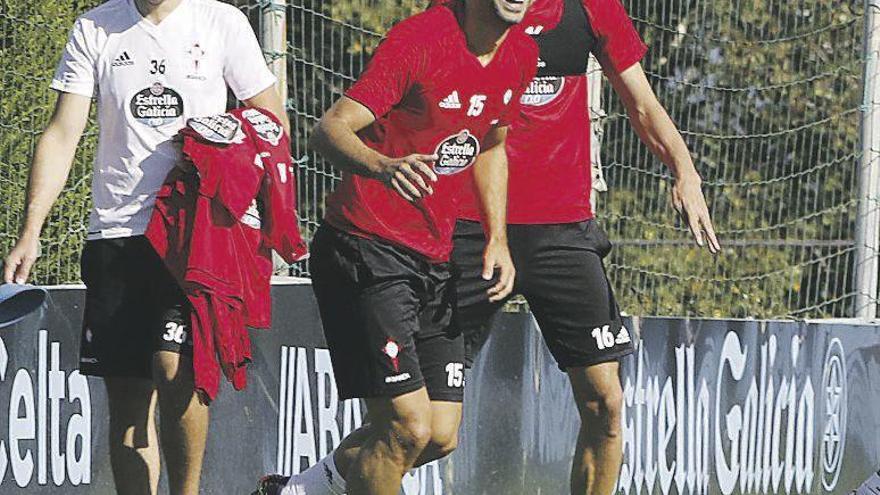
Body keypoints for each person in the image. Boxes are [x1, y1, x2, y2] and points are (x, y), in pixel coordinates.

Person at [2, 0, 288, 493]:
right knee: (129, 399)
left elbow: (271, 121)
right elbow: (63, 132)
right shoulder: (96, 26)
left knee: (175, 366)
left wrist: (224, 142)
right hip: (115, 233)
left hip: (192, 235)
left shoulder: (221, 21)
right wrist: (31, 229)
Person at [253, 0, 537, 493]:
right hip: (366, 246)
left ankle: (300, 488)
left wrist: (498, 237)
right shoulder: (421, 40)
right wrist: (384, 166)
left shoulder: (522, 54)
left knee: (440, 434)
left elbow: (490, 143)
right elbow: (329, 129)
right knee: (406, 426)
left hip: (435, 258)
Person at [451, 0, 721, 493]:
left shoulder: (592, 8)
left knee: (606, 404)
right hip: (475, 227)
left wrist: (685, 172)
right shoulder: (465, 8)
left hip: (563, 231)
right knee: (424, 429)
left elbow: (641, 103)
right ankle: (315, 483)